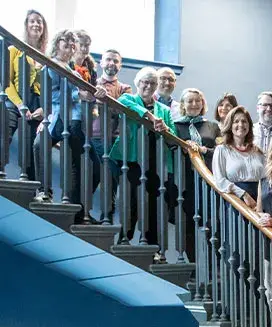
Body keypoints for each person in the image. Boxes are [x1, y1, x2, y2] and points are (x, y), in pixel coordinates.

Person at [32, 30, 105, 217]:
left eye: (74, 42)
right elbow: (52, 96)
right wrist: (78, 94)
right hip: (62, 119)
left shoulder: (73, 70)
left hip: (75, 121)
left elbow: (86, 96)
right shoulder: (50, 66)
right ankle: (45, 192)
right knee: (40, 145)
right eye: (67, 40)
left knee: (87, 167)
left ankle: (77, 209)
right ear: (57, 43)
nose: (72, 44)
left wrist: (94, 95)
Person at [108, 66, 174, 246]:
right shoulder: (129, 98)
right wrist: (149, 116)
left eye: (153, 83)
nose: (148, 86)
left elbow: (173, 135)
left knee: (153, 201)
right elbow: (123, 102)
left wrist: (166, 130)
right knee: (131, 199)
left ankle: (151, 242)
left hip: (154, 160)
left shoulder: (164, 110)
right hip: (131, 158)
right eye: (145, 82)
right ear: (138, 83)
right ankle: (125, 237)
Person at [173, 88, 221, 262]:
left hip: (210, 181)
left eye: (197, 101)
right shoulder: (176, 126)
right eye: (190, 101)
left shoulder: (213, 126)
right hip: (186, 182)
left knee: (212, 224)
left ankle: (212, 262)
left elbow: (221, 151)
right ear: (184, 105)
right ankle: (193, 262)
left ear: (203, 104)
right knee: (189, 225)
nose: (194, 104)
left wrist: (203, 150)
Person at [5, 9, 48, 182]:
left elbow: (51, 90)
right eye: (32, 21)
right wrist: (20, 104)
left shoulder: (47, 57)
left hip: (36, 104)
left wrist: (44, 109)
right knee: (4, 133)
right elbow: (6, 83)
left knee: (31, 148)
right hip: (14, 99)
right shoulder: (13, 49)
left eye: (40, 21)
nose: (36, 24)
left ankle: (30, 185)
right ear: (26, 25)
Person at [91, 49, 132, 218]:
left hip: (115, 139)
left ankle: (106, 218)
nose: (112, 63)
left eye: (115, 61)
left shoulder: (125, 88)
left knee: (111, 177)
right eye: (108, 60)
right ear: (101, 63)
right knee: (91, 176)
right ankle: (81, 214)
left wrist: (105, 99)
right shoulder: (92, 83)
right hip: (92, 136)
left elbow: (123, 109)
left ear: (120, 66)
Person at [211, 106, 265, 209]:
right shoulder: (222, 150)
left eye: (244, 121)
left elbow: (265, 179)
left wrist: (260, 203)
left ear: (249, 125)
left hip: (259, 201)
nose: (240, 125)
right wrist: (243, 194)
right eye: (236, 121)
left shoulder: (258, 152)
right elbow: (220, 180)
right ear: (230, 125)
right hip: (236, 200)